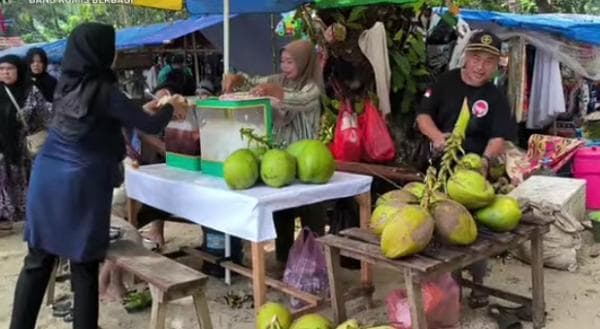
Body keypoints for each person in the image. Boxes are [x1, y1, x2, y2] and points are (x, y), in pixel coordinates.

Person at [9, 22, 187, 329]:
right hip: (80, 182)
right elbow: (151, 126)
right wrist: (172, 106)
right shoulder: (105, 90)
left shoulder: (66, 83)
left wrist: (144, 109)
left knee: (37, 262)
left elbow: (103, 115)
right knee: (84, 268)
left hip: (47, 177)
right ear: (102, 52)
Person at [416, 30, 517, 308]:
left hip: (473, 176)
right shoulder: (445, 83)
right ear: (465, 57)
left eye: (488, 61)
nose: (480, 66)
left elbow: (499, 136)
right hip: (439, 168)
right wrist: (437, 137)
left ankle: (479, 283)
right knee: (439, 227)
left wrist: (483, 162)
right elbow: (423, 115)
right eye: (475, 58)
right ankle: (444, 288)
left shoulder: (495, 96)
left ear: (497, 65)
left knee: (475, 230)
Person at [223, 39, 325, 267]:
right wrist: (238, 79)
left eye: (290, 62)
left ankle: (315, 262)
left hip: (308, 161)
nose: (284, 67)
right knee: (283, 214)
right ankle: (283, 260)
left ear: (305, 62)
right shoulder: (278, 80)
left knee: (312, 214)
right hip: (280, 159)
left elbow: (297, 100)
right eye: (282, 61)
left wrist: (275, 92)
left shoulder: (312, 88)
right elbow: (253, 82)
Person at [0, 55, 52, 234]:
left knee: (26, 183)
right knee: (3, 183)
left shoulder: (30, 91)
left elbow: (45, 116)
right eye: (1, 69)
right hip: (2, 149)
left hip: (25, 150)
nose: (5, 72)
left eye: (10, 68)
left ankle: (33, 218)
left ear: (19, 70)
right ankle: (4, 218)